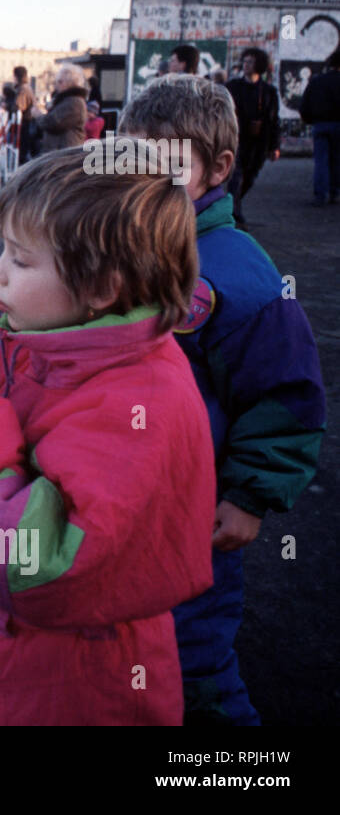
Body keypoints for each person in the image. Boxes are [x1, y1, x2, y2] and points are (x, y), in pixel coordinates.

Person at [0, 145, 216, 724]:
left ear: (101, 286)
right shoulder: (58, 341)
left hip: (80, 684)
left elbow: (41, 561)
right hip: (20, 652)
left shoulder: (139, 405)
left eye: (20, 261)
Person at [120, 75, 325, 725]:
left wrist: (248, 495)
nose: (147, 181)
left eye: (167, 166)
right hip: (123, 500)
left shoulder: (241, 273)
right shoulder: (124, 246)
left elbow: (285, 394)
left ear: (219, 167)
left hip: (196, 514)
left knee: (194, 658)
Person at [224, 48, 281, 225]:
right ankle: (235, 212)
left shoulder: (268, 91)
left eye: (250, 62)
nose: (246, 65)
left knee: (250, 175)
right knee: (236, 175)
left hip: (259, 141)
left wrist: (274, 146)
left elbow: (273, 119)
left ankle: (234, 204)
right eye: (245, 61)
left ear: (259, 65)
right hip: (237, 137)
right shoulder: (233, 87)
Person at [300, 49, 340, 205]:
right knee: (337, 159)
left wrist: (310, 120)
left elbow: (305, 104)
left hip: (321, 124)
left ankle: (320, 194)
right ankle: (334, 191)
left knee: (321, 160)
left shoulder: (317, 81)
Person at [36, 64, 88, 152]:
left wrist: (38, 115)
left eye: (60, 82)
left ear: (71, 83)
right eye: (56, 82)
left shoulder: (74, 102)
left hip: (65, 155)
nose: (56, 85)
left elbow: (53, 123)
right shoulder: (67, 100)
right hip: (60, 152)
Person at [12, 66, 39, 162]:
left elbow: (18, 107)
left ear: (16, 77)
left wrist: (8, 106)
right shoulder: (27, 88)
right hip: (27, 123)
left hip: (25, 124)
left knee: (22, 152)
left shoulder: (23, 89)